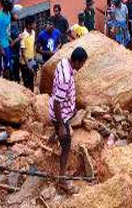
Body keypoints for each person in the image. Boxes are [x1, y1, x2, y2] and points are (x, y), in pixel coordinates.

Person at [48, 46, 88, 193]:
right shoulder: (66, 78)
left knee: (72, 114)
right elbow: (58, 102)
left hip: (64, 109)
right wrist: (61, 126)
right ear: (76, 61)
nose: (82, 66)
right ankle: (62, 180)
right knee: (66, 146)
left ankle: (53, 136)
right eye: (82, 63)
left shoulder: (63, 62)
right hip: (60, 114)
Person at [0, 0, 14, 77]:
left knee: (8, 65)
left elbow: (5, 29)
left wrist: (9, 37)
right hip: (1, 44)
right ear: (6, 5)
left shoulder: (8, 14)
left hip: (6, 42)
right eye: (11, 4)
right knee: (1, 66)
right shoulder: (0, 17)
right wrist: (0, 48)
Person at [19, 17, 37, 91]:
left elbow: (33, 45)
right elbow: (23, 53)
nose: (35, 25)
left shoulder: (33, 33)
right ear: (29, 25)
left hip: (31, 60)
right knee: (26, 83)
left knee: (31, 81)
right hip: (24, 63)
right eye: (34, 23)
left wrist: (34, 58)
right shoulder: (23, 36)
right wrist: (28, 65)